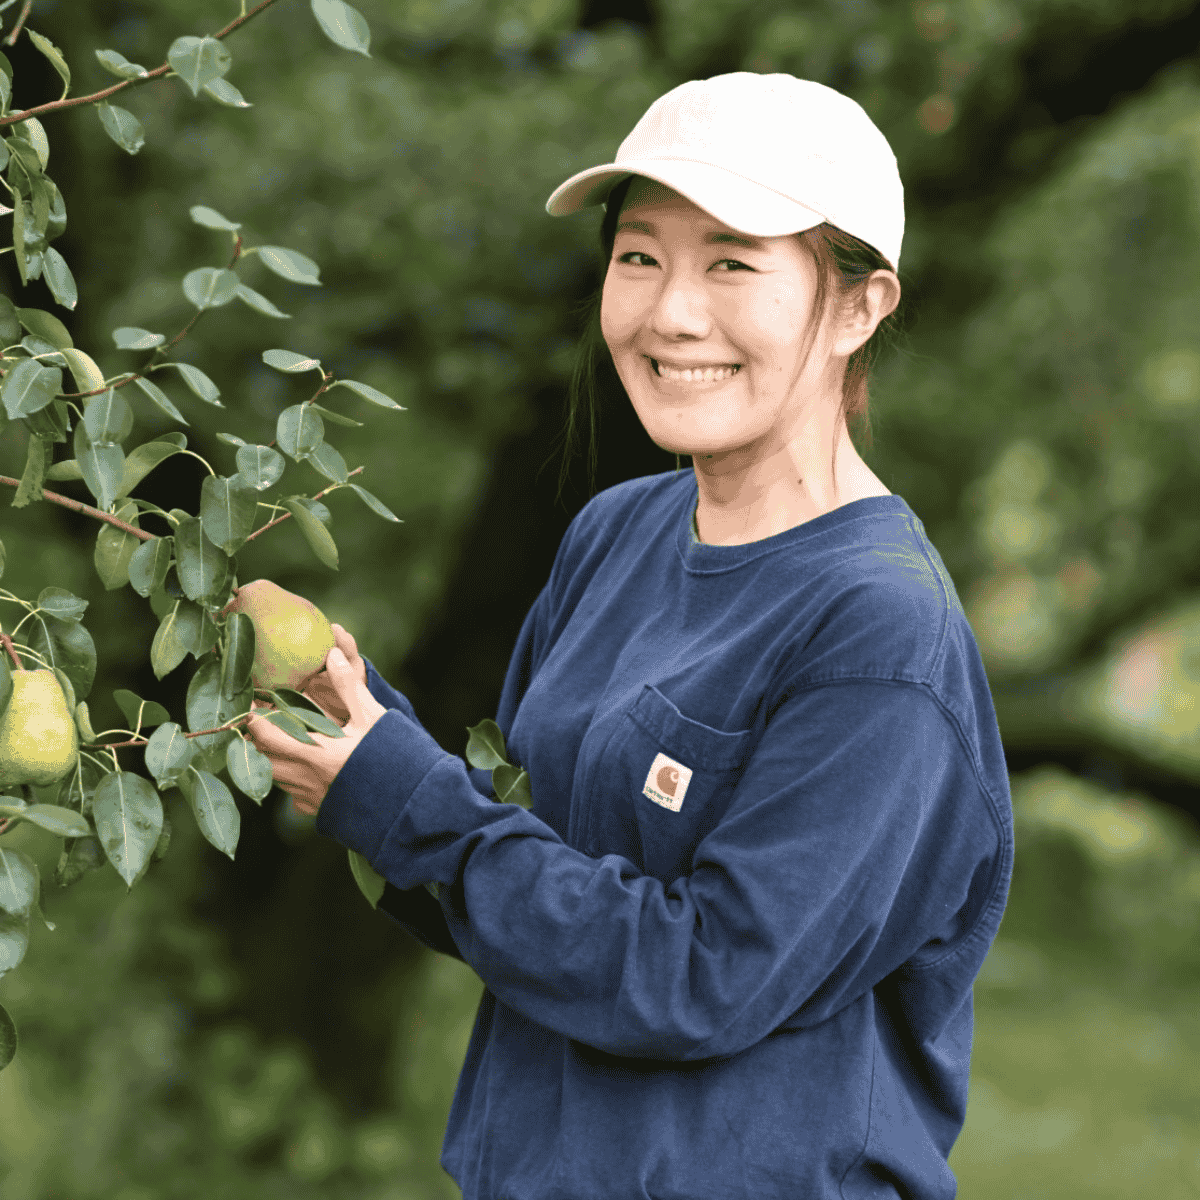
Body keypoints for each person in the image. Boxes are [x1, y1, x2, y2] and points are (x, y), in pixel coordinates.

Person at [248, 72, 1014, 1200]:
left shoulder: (878, 634)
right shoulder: (620, 532)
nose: (671, 312)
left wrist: (416, 806)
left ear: (858, 307)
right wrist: (363, 735)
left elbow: (699, 977)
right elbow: (525, 887)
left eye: (733, 262)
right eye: (640, 255)